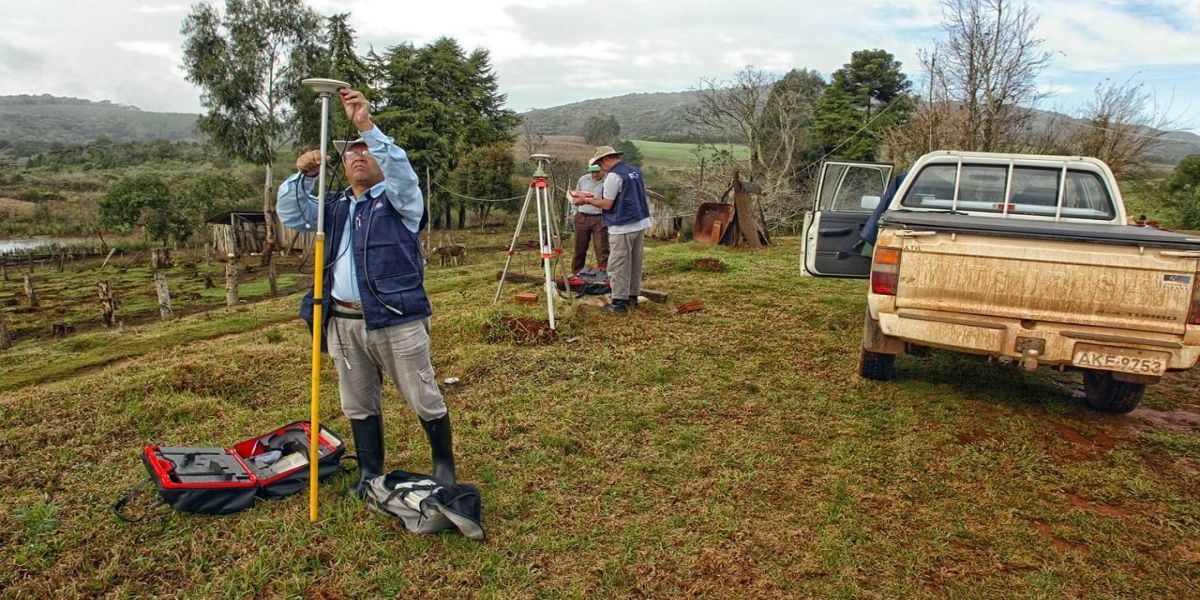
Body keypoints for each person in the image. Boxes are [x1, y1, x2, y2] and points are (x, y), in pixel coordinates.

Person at [276, 87, 456, 495]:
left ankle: (443, 467)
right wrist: (303, 175)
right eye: (350, 151)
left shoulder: (401, 202)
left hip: (396, 317)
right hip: (342, 319)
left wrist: (366, 125)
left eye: (365, 150)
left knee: (422, 394)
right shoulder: (334, 206)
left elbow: (402, 171)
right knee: (357, 401)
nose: (358, 155)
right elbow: (289, 213)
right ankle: (370, 471)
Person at [573, 145, 650, 314]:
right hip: (639, 222)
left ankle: (618, 303)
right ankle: (632, 297)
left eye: (600, 164)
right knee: (634, 263)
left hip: (622, 225)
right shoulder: (634, 171)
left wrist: (585, 201)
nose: (601, 168)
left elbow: (607, 204)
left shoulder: (613, 176)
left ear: (606, 159)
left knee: (618, 265)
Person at [569, 164, 609, 273]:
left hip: (599, 218)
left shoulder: (609, 180)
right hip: (582, 216)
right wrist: (575, 213)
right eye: (592, 172)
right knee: (579, 248)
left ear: (602, 169)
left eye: (597, 171)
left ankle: (604, 275)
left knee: (602, 249)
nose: (594, 174)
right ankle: (577, 273)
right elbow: (575, 197)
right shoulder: (583, 180)